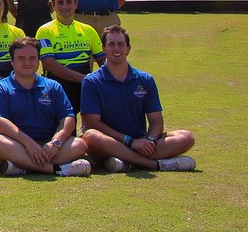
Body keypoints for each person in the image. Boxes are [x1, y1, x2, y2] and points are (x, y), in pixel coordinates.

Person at [80, 26, 197, 172]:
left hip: (140, 141)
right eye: (111, 44)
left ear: (128, 49)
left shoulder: (145, 79)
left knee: (186, 137)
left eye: (121, 44)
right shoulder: (92, 81)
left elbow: (156, 120)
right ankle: (154, 164)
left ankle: (126, 162)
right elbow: (93, 123)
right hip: (110, 142)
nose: (116, 48)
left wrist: (150, 141)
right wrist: (130, 142)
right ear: (104, 48)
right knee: (90, 136)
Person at [0, 37, 91, 176]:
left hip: (48, 146)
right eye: (21, 58)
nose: (27, 63)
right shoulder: (0, 88)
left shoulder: (52, 86)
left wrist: (55, 143)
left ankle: (23, 167)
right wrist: (28, 143)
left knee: (79, 145)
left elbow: (67, 117)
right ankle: (56, 169)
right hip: (17, 145)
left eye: (32, 58)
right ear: (12, 61)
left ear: (39, 61)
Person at [36, 0, 103, 113]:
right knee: (66, 130)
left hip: (85, 88)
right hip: (58, 88)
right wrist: (84, 79)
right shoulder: (44, 31)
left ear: (76, 4)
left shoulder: (88, 30)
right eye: (60, 3)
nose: (65, 6)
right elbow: (49, 63)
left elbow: (102, 58)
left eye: (69, 2)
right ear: (53, 5)